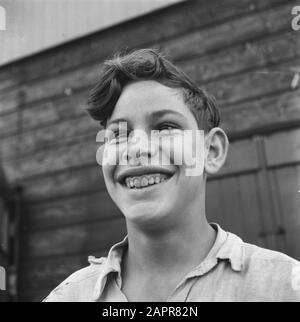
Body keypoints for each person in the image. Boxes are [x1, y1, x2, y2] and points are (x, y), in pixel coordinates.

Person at [44, 49, 300, 302]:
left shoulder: (285, 286)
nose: (137, 149)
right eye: (119, 134)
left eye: (165, 127)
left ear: (211, 151)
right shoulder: (68, 297)